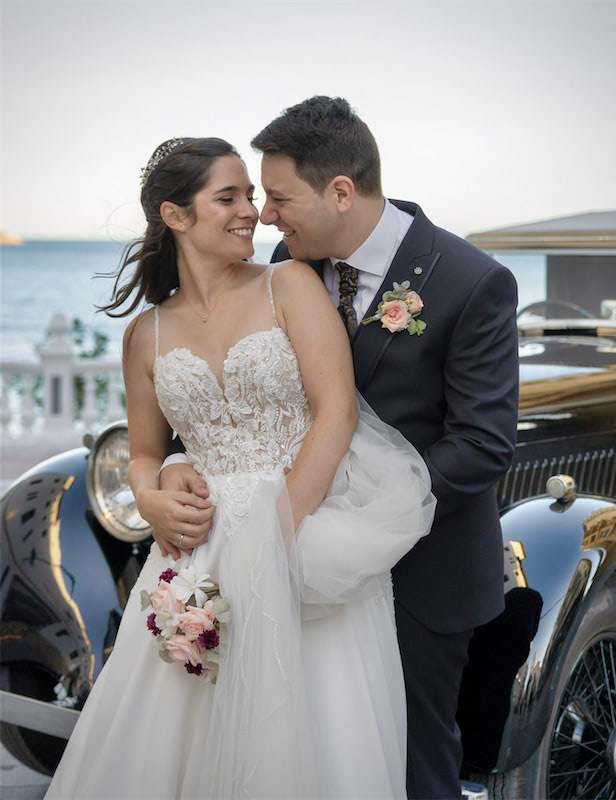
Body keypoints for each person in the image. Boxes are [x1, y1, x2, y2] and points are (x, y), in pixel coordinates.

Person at [44, 137, 435, 800]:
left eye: (250, 196)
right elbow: (145, 452)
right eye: (227, 198)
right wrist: (151, 495)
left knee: (315, 736)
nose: (251, 211)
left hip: (306, 541)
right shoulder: (146, 335)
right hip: (198, 555)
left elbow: (336, 412)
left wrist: (275, 540)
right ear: (176, 216)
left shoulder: (289, 285)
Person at [157, 98, 520, 799]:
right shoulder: (284, 264)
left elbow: (481, 443)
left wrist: (353, 524)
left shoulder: (471, 281)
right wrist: (176, 461)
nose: (265, 216)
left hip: (419, 573)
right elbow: (234, 390)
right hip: (283, 555)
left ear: (342, 192)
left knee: (408, 765)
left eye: (280, 198)